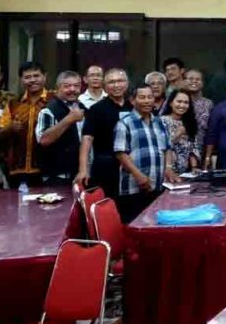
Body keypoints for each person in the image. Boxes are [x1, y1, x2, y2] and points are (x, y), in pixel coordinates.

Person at [114, 84, 181, 223]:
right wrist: (139, 176)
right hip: (134, 188)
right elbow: (121, 154)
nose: (147, 101)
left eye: (150, 97)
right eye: (142, 97)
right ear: (133, 100)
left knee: (155, 225)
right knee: (135, 225)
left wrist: (168, 168)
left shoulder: (159, 122)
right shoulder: (124, 123)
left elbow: (167, 147)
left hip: (158, 185)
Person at [75, 68, 131, 197]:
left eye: (120, 81)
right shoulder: (96, 109)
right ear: (105, 86)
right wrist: (83, 169)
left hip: (131, 165)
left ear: (127, 83)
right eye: (111, 82)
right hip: (105, 165)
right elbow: (87, 139)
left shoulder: (133, 107)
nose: (116, 85)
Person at [0, 61, 49, 186]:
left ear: (45, 76)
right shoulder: (13, 103)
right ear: (21, 79)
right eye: (27, 77)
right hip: (17, 169)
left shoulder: (54, 101)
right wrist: (10, 127)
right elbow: (0, 132)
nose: (32, 80)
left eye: (36, 76)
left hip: (47, 168)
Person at [34, 70, 85, 183]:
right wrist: (69, 119)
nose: (72, 89)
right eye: (67, 86)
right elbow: (44, 140)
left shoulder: (83, 108)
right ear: (58, 88)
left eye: (76, 86)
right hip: (56, 176)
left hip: (80, 173)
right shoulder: (48, 110)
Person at [162, 89, 202, 173]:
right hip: (166, 170)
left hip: (184, 172)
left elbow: (193, 148)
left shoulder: (190, 123)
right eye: (179, 101)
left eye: (186, 102)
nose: (182, 105)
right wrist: (178, 134)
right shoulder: (161, 121)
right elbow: (162, 146)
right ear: (171, 103)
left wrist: (194, 167)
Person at [183, 68, 214, 142]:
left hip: (201, 145)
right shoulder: (176, 101)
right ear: (184, 81)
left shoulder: (209, 104)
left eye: (198, 79)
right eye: (190, 79)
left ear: (203, 83)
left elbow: (212, 129)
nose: (194, 81)